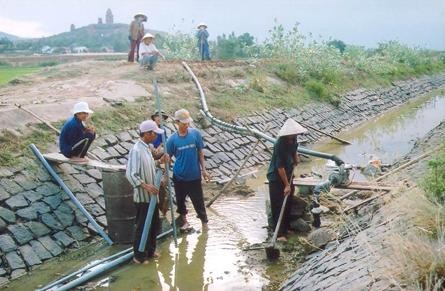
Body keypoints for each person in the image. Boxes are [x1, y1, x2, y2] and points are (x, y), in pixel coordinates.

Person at [126, 120, 164, 264]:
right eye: (154, 133)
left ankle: (150, 250)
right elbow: (131, 174)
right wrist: (146, 186)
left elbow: (149, 165)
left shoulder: (147, 148)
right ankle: (139, 256)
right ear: (147, 133)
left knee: (153, 225)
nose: (155, 136)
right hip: (143, 197)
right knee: (143, 226)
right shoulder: (136, 150)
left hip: (152, 197)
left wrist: (159, 162)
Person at [166, 109, 210, 231]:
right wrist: (165, 163)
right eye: (183, 123)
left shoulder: (195, 134)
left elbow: (200, 152)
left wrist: (204, 170)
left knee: (198, 201)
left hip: (194, 175)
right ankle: (185, 221)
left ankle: (204, 223)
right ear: (177, 122)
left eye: (187, 123)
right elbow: (168, 156)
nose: (186, 126)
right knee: (180, 201)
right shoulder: (172, 140)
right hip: (179, 176)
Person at [266, 118, 307, 242]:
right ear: (286, 134)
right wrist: (286, 185)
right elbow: (280, 167)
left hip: (289, 173)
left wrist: (296, 158)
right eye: (292, 134)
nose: (294, 135)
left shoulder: (293, 139)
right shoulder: (279, 144)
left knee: (288, 201)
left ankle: (287, 227)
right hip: (276, 177)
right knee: (278, 204)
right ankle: (279, 233)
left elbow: (294, 150)